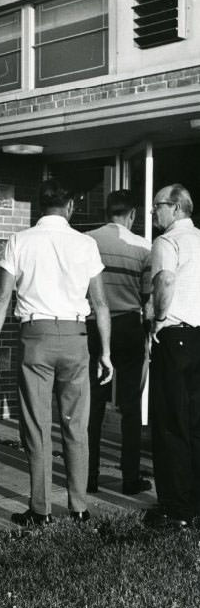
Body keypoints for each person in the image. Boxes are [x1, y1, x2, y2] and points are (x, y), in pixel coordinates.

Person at [0, 179, 113, 526]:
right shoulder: (85, 243)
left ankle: (40, 510)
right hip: (75, 337)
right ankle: (79, 507)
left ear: (41, 206)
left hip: (35, 338)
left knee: (37, 427)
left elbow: (1, 298)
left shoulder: (19, 241)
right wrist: (106, 352)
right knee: (76, 426)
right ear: (70, 206)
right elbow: (100, 303)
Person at [85, 190, 152, 495]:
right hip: (128, 326)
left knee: (93, 404)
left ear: (105, 211)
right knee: (130, 405)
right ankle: (130, 477)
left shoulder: (88, 241)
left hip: (94, 327)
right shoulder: (142, 247)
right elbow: (147, 297)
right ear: (133, 214)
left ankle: (89, 476)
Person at [145, 184, 200, 529]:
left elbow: (164, 281)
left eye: (157, 206)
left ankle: (177, 509)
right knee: (196, 423)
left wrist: (159, 321)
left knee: (170, 423)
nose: (153, 212)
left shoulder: (166, 242)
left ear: (176, 208)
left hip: (176, 335)